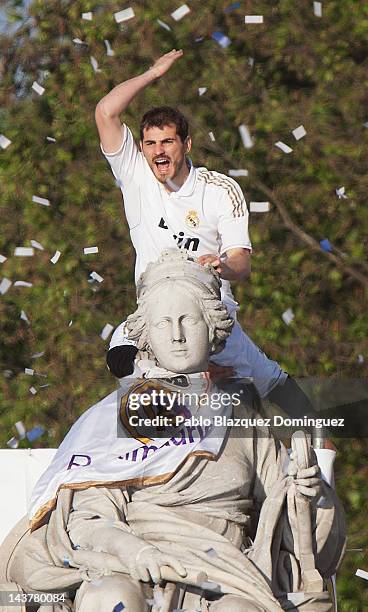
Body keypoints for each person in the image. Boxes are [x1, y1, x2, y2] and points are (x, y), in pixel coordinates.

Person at [2, 251, 345, 612]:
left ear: (213, 328)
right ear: (146, 335)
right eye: (164, 323)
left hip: (225, 572)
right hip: (134, 561)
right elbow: (89, 516)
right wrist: (130, 548)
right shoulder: (116, 414)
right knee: (109, 596)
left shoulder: (245, 418)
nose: (177, 336)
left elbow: (291, 522)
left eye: (189, 320)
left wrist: (311, 494)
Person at [94, 49, 319, 421]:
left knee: (287, 395)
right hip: (154, 310)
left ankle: (322, 454)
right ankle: (191, 380)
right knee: (119, 356)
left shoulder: (218, 189)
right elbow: (105, 112)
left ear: (187, 144)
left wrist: (222, 266)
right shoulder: (135, 174)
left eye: (167, 142)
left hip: (212, 313)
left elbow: (241, 263)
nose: (158, 151)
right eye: (150, 144)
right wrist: (152, 72)